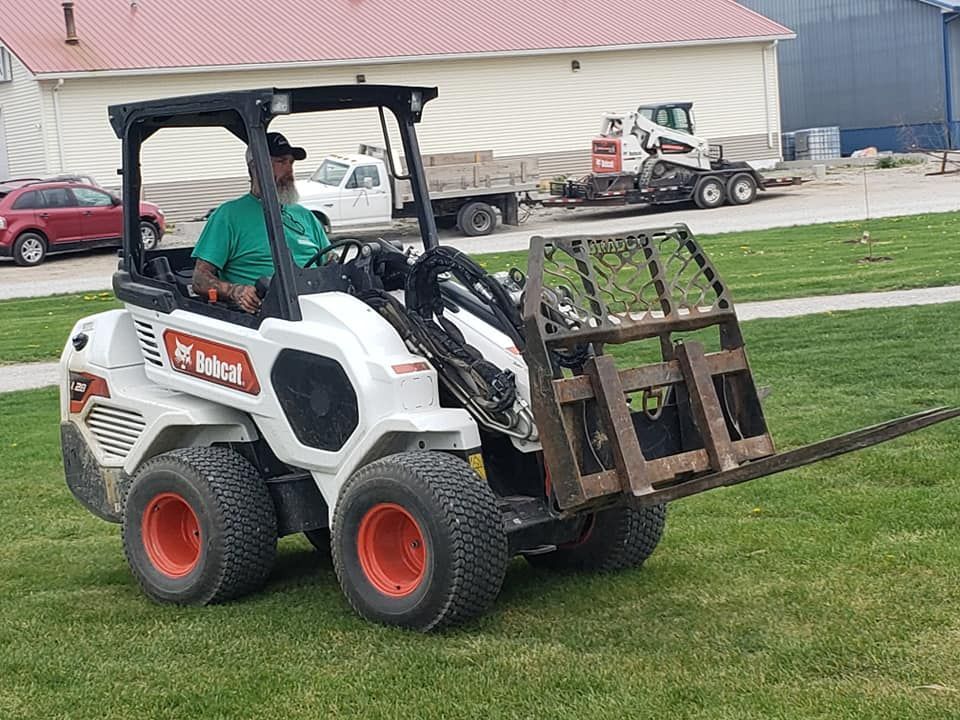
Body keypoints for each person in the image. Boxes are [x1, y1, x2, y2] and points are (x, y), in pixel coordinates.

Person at [191, 132, 330, 313]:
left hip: (317, 305)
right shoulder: (229, 215)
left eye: (291, 163)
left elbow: (331, 264)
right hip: (267, 312)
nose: (289, 170)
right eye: (281, 162)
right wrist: (235, 291)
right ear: (256, 167)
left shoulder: (305, 216)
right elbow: (200, 279)